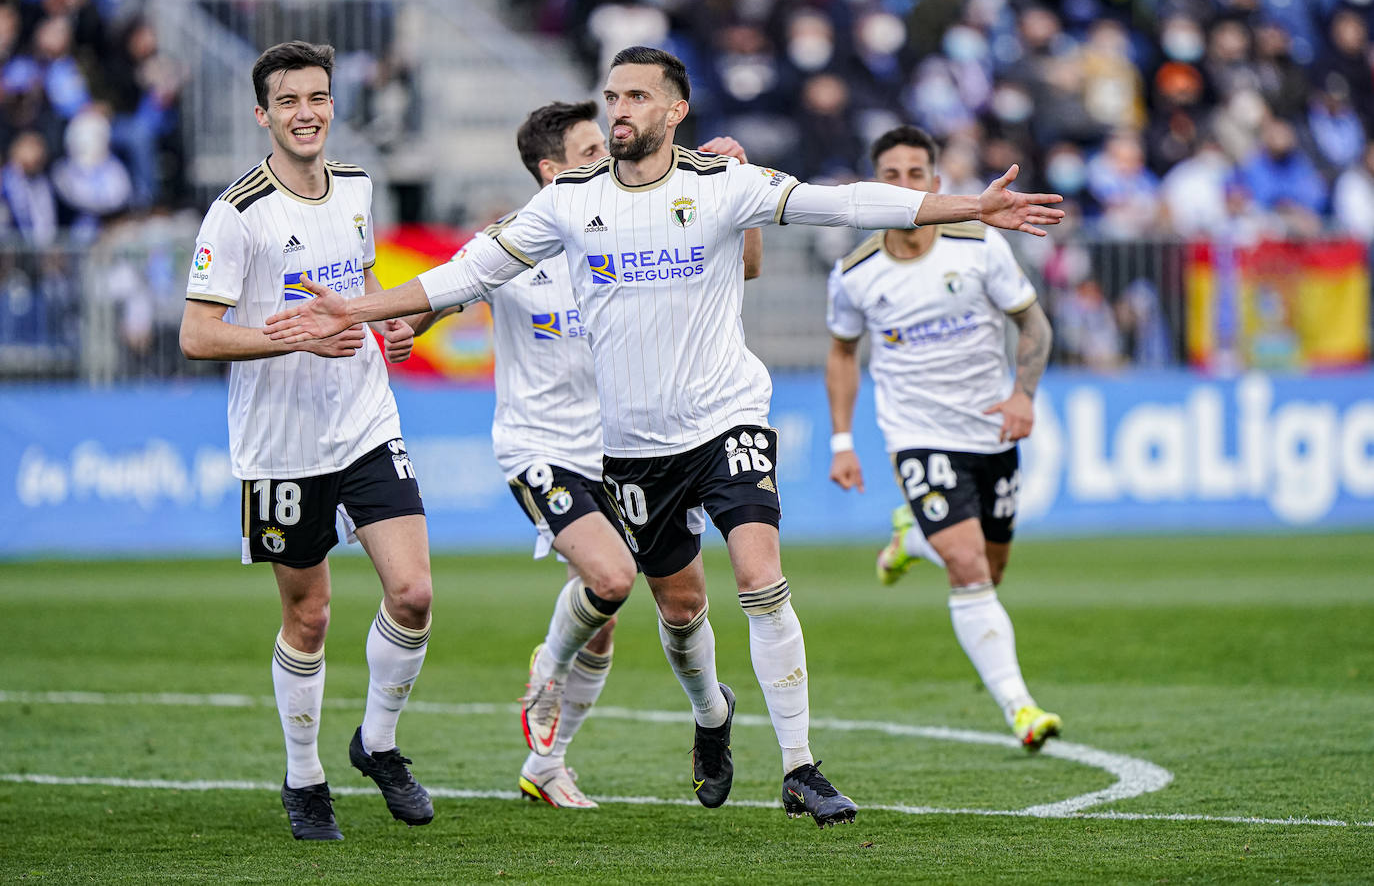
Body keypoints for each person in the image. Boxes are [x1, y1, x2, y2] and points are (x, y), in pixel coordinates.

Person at [264, 46, 1064, 827]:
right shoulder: (570, 200)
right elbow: (467, 274)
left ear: (675, 112)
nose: (619, 110)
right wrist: (356, 310)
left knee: (759, 577)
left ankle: (799, 767)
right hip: (636, 446)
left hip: (727, 417)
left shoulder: (721, 184)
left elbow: (845, 201)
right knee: (680, 609)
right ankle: (712, 714)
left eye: (636, 97)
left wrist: (970, 207)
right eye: (612, 97)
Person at [397, 100, 763, 809]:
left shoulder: (633, 225)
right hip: (541, 447)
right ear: (550, 169)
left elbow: (741, 270)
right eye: (593, 149)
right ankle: (549, 664)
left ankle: (549, 763)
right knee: (610, 575)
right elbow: (447, 289)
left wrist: (735, 194)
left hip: (623, 446)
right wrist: (406, 326)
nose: (610, 155)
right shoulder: (516, 240)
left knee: (658, 605)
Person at [178, 41, 435, 841]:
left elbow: (353, 284)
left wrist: (380, 318)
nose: (307, 113)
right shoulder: (238, 211)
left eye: (317, 97)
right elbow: (195, 334)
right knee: (311, 616)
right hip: (281, 440)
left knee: (414, 594)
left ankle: (378, 744)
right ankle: (304, 777)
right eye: (289, 101)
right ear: (264, 114)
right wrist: (297, 340)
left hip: (364, 419)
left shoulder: (357, 186)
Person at [824, 125, 1062, 752]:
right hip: (918, 434)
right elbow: (843, 354)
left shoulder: (980, 245)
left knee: (991, 569)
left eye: (915, 174)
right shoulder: (855, 273)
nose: (904, 186)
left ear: (935, 182)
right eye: (891, 176)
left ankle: (913, 538)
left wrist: (1023, 395)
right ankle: (1021, 708)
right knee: (967, 566)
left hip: (989, 428)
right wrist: (841, 441)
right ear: (875, 186)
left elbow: (1032, 322)